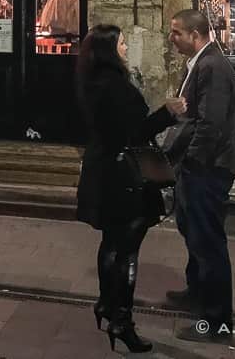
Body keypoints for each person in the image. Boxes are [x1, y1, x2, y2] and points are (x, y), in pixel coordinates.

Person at [75, 25, 184, 354]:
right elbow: (133, 133)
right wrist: (168, 113)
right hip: (125, 178)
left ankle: (107, 305)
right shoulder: (115, 86)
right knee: (127, 250)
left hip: (103, 171)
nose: (126, 47)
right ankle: (122, 321)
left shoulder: (90, 80)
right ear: (110, 50)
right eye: (122, 43)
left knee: (111, 243)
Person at [164, 9, 235, 343]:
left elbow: (211, 123)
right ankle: (197, 292)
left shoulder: (212, 67)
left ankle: (216, 320)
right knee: (193, 232)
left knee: (208, 241)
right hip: (196, 167)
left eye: (176, 32)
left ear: (195, 35)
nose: (172, 38)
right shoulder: (199, 63)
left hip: (208, 168)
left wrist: (193, 160)